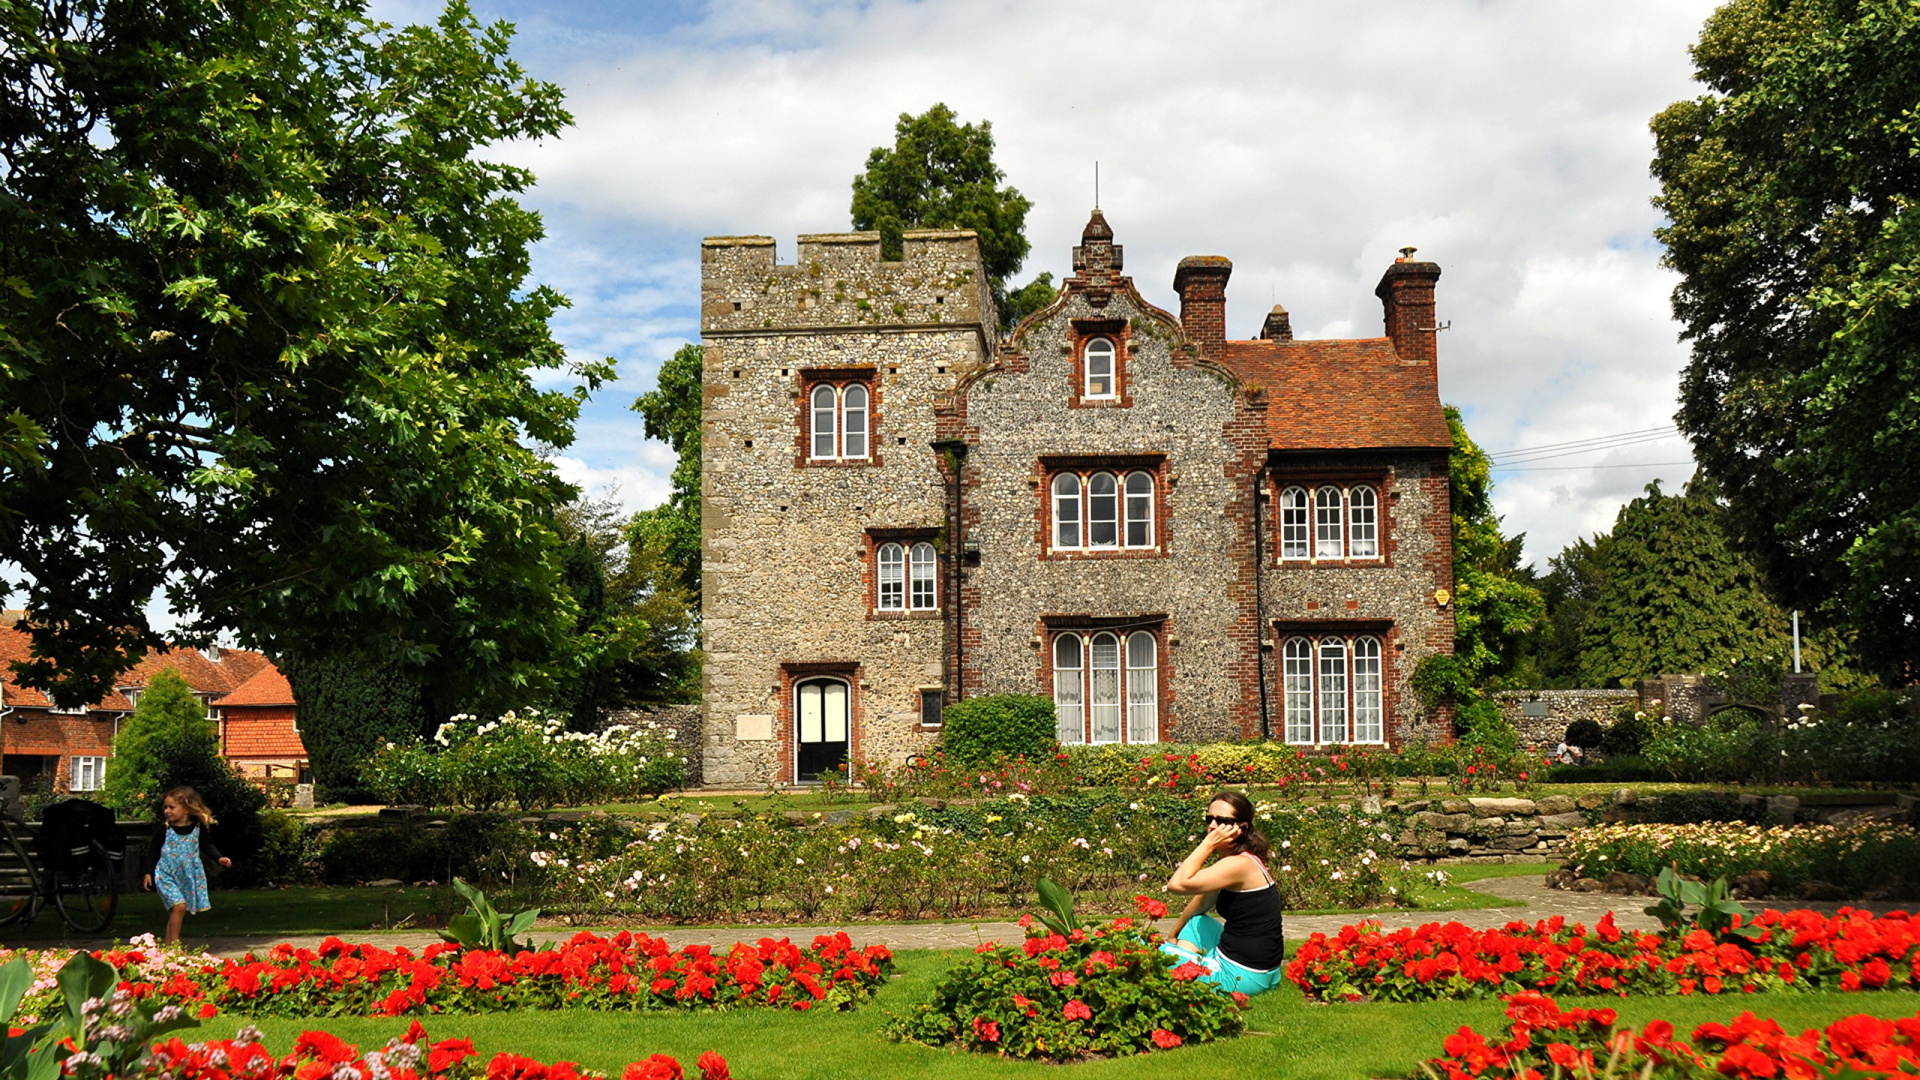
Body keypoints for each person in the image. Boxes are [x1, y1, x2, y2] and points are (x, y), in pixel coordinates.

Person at [1161, 790, 1285, 996]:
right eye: (1209, 819)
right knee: (1197, 922)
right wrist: (1174, 934)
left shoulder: (1239, 865)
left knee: (1140, 948)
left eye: (1222, 821)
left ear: (1242, 829)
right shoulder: (1245, 860)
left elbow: (1177, 884)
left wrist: (1208, 843)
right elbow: (1202, 901)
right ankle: (1185, 979)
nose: (1212, 826)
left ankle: (1184, 979)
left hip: (1240, 977)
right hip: (1264, 973)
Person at [142, 786, 231, 943]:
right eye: (166, 807)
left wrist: (219, 858)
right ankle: (175, 945)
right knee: (179, 907)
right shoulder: (165, 829)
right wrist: (148, 872)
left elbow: (206, 845)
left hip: (187, 875)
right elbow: (153, 851)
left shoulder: (197, 827)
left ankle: (169, 945)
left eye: (172, 807)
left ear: (187, 809)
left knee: (177, 909)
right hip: (166, 874)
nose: (167, 811)